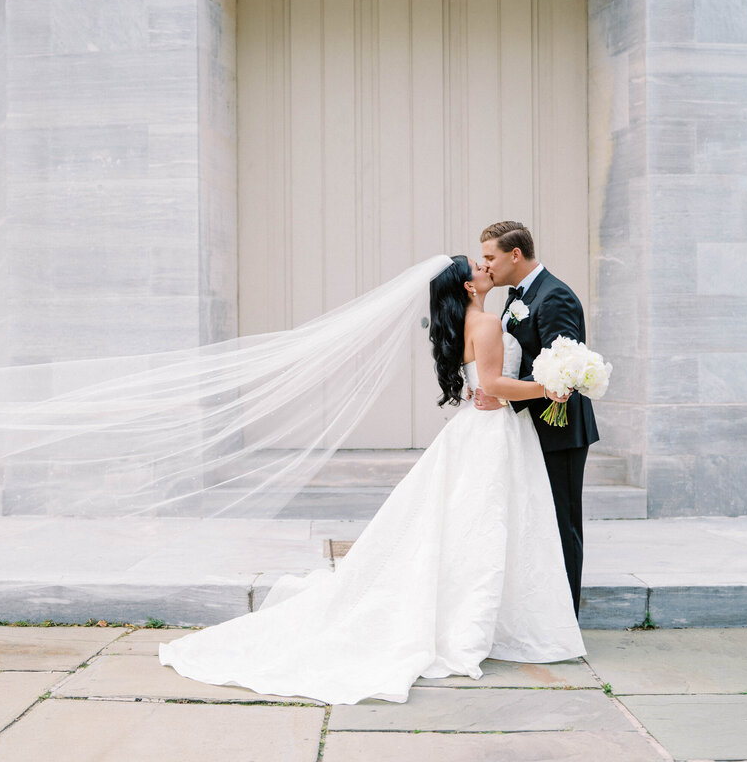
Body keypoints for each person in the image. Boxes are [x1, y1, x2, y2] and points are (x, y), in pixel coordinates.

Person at [159, 255, 585, 705]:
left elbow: (485, 385)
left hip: (480, 430)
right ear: (466, 287)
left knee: (476, 524)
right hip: (492, 433)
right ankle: (477, 621)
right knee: (488, 522)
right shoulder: (485, 324)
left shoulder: (469, 323)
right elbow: (495, 385)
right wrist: (550, 388)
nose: (484, 267)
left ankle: (487, 616)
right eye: (476, 267)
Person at [475, 221, 599, 616]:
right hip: (530, 429)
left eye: (490, 257)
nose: (486, 265)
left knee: (561, 523)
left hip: (558, 429)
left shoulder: (554, 296)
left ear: (515, 254)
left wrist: (504, 398)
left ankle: (565, 618)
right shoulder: (516, 297)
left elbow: (564, 370)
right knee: (535, 522)